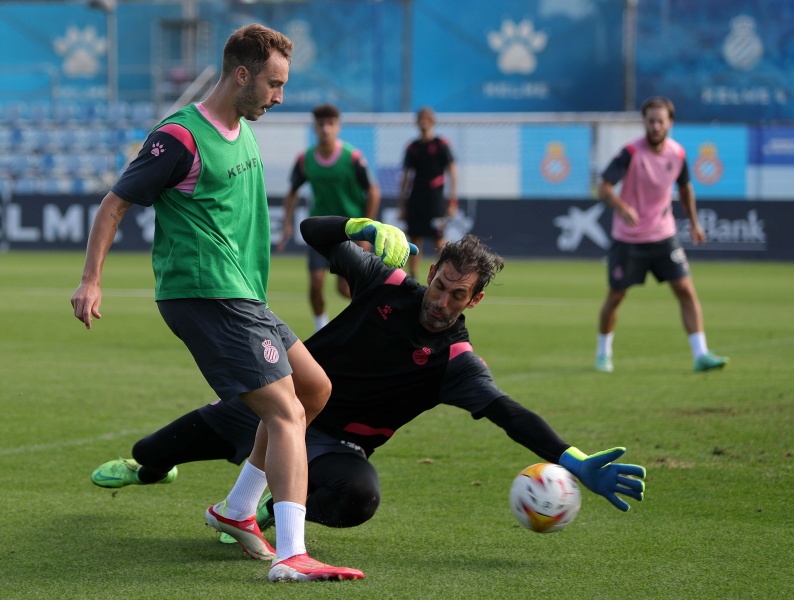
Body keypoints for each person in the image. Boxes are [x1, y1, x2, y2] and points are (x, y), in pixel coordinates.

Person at [91, 215, 646, 543]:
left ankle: (265, 507)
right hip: (276, 406)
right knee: (151, 451)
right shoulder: (385, 282)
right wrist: (360, 226)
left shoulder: (457, 360)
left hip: (337, 447)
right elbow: (313, 231)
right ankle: (151, 472)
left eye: (459, 295)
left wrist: (571, 460)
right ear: (432, 273)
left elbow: (508, 412)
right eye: (441, 285)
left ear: (475, 299)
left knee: (359, 499)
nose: (442, 301)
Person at [70, 24, 373, 583]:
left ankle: (235, 512)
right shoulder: (179, 137)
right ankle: (292, 555)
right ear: (241, 74)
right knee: (284, 414)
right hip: (204, 292)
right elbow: (115, 203)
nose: (280, 97)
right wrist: (91, 280)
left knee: (314, 389)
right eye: (274, 83)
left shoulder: (243, 128)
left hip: (244, 295)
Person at [595, 96, 729, 373]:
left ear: (670, 123)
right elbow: (604, 188)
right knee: (616, 296)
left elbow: (685, 189)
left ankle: (701, 354)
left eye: (661, 121)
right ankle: (603, 353)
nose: (656, 126)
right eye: (651, 121)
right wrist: (622, 207)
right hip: (628, 238)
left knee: (685, 290)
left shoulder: (678, 154)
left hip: (663, 235)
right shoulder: (630, 153)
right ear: (644, 122)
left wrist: (694, 223)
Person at [279, 104, 381, 331]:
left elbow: (373, 192)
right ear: (315, 127)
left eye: (330, 124)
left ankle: (375, 320)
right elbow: (292, 192)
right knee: (316, 283)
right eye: (321, 124)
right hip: (321, 231)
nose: (325, 129)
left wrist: (367, 229)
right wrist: (287, 223)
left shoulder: (352, 158)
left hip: (351, 230)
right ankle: (320, 328)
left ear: (338, 127)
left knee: (346, 290)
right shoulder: (305, 160)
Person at [398, 106, 459, 279]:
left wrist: (452, 200)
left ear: (432, 121)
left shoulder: (441, 144)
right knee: (414, 240)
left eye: (427, 118)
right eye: (421, 118)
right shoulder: (412, 147)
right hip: (416, 199)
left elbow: (452, 172)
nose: (424, 122)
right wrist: (401, 205)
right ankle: (413, 277)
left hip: (435, 200)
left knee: (438, 240)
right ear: (417, 122)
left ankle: (444, 275)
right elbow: (405, 177)